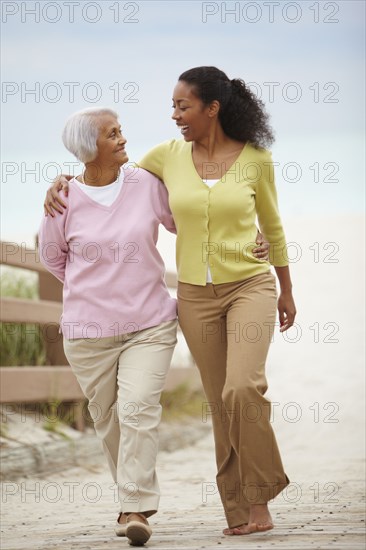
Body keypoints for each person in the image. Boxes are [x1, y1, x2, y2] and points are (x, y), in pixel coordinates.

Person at [44, 66, 295, 537]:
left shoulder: (241, 162)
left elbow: (242, 221)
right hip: (159, 308)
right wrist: (61, 182)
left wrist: (275, 269)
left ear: (212, 108)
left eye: (183, 106)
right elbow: (75, 226)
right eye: (173, 106)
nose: (174, 115)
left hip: (209, 300)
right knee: (198, 406)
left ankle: (249, 498)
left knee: (226, 393)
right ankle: (223, 512)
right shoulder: (156, 161)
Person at [38, 107, 179, 546]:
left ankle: (135, 506)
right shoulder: (62, 199)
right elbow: (52, 256)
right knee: (108, 419)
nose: (122, 139)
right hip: (88, 332)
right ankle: (129, 501)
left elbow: (186, 222)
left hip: (150, 323)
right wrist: (94, 290)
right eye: (111, 134)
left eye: (120, 131)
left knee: (138, 408)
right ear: (88, 148)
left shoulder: (147, 185)